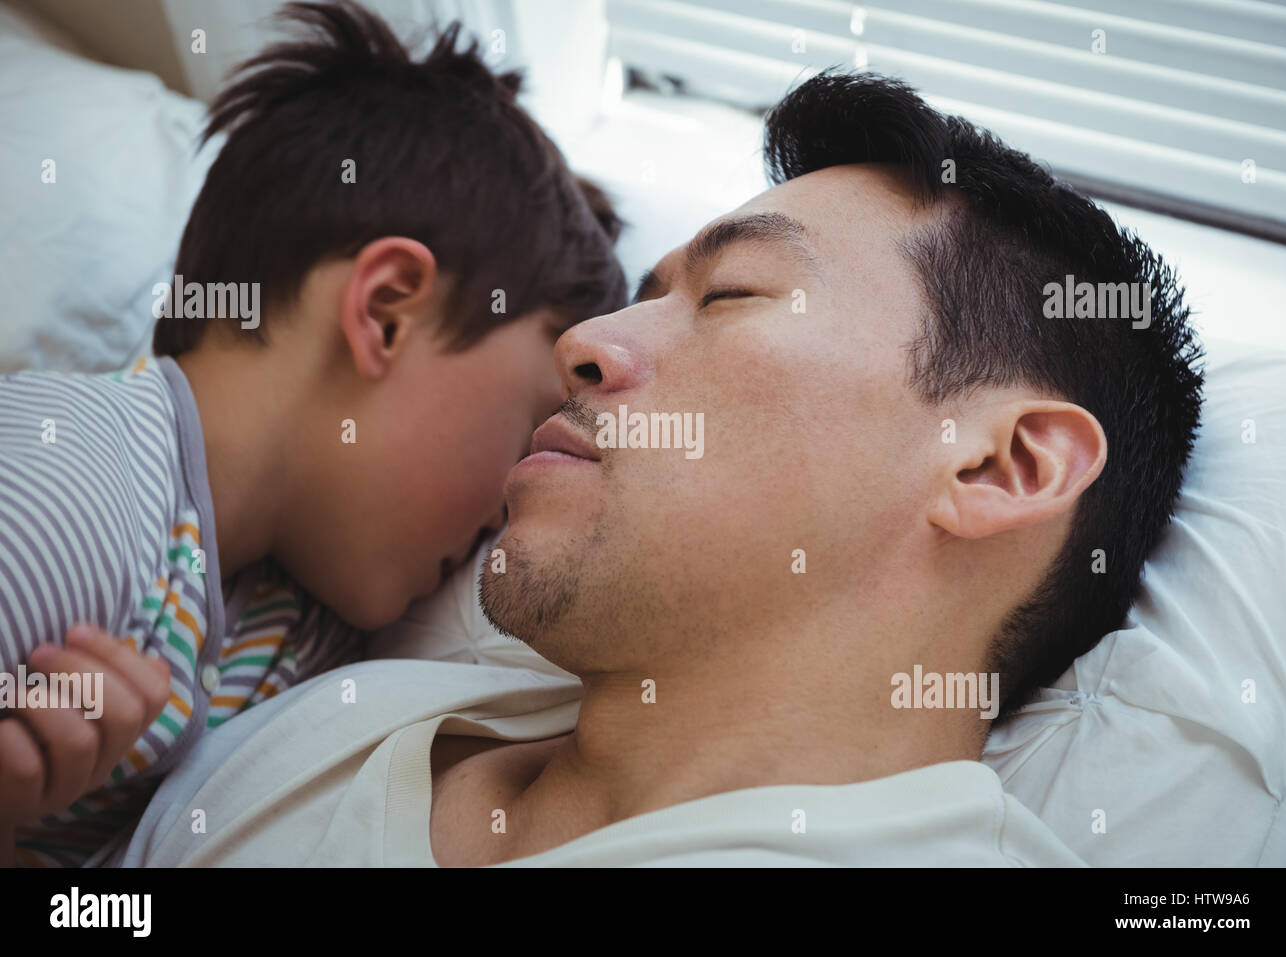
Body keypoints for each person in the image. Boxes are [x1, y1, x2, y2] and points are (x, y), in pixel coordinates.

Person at [116, 70, 1203, 867]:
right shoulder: (318, 733)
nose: (581, 344)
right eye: (640, 290)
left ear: (1000, 467)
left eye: (732, 296)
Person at [0, 0, 624, 867]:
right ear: (386, 312)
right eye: (524, 430)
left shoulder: (296, 621)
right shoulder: (72, 491)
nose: (505, 512)